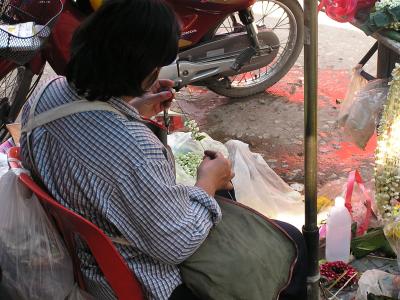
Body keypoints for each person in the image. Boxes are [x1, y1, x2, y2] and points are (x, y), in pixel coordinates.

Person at [20, 0, 306, 299]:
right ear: (143, 71)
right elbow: (177, 245)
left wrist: (131, 106)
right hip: (133, 279)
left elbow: (91, 134)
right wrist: (208, 182)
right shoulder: (136, 150)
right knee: (292, 240)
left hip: (78, 253)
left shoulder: (45, 98)